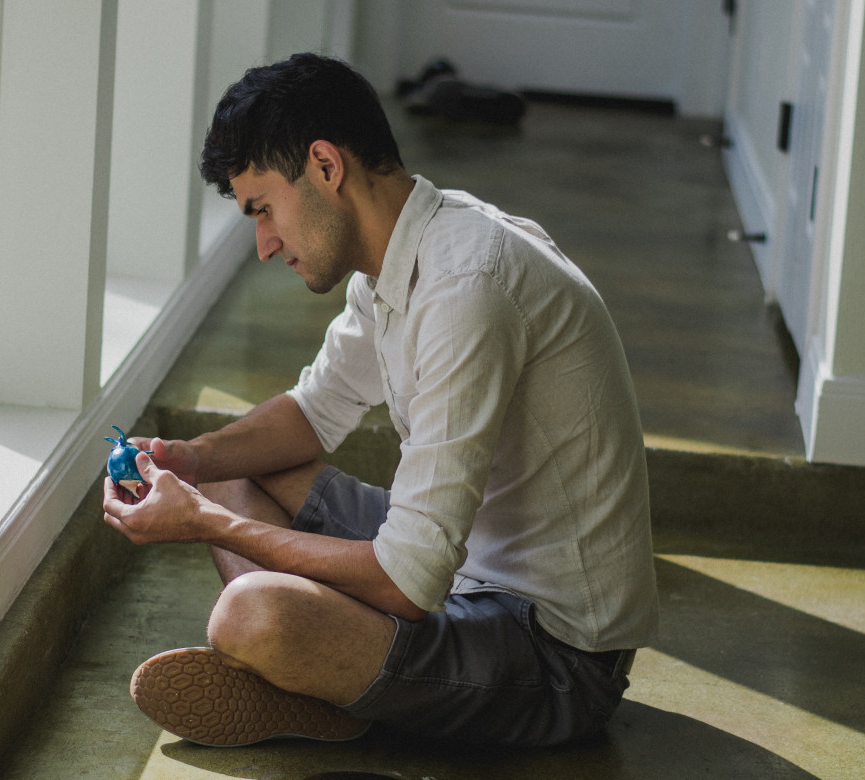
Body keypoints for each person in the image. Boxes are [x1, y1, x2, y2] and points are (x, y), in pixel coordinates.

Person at [102, 52, 658, 749]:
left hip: (554, 655)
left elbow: (405, 583)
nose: (265, 244)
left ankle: (318, 673)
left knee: (251, 614)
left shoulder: (467, 287)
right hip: (465, 566)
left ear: (327, 167)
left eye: (265, 209)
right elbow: (312, 412)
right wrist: (186, 460)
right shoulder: (401, 255)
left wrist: (208, 523)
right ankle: (331, 680)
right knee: (231, 468)